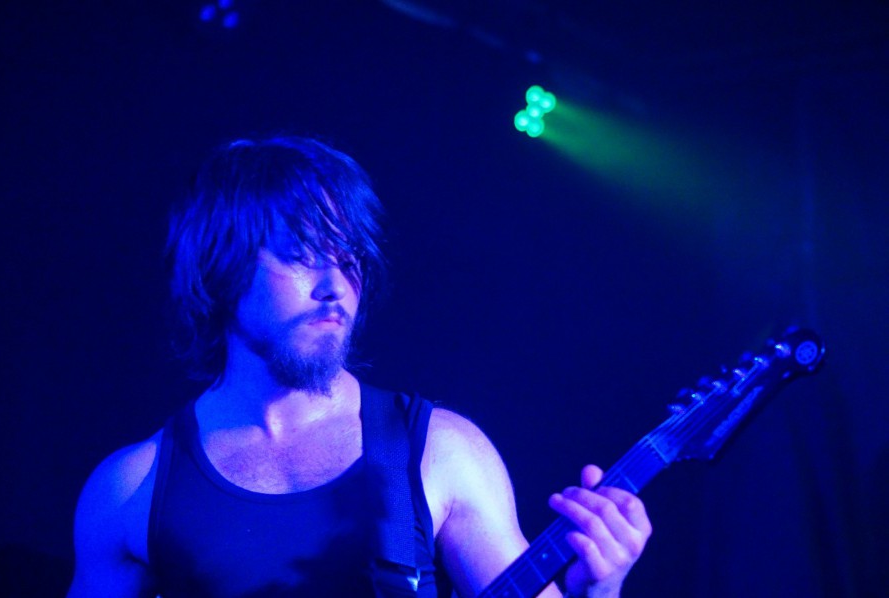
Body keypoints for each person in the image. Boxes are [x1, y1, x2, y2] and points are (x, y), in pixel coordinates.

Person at [67, 136, 652, 598]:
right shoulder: (129, 488)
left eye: (350, 260)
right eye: (301, 256)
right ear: (220, 270)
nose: (336, 287)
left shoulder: (441, 451)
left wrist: (601, 589)